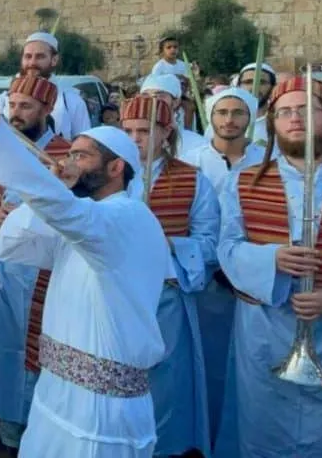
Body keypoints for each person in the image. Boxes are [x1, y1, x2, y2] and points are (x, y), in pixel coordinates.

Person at [0, 94, 172, 457]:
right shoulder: (85, 220)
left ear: (116, 168)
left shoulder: (129, 216)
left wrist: (0, 140)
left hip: (101, 411)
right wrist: (54, 188)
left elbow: (70, 216)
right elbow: (12, 245)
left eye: (81, 156)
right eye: (69, 153)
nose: (68, 162)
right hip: (54, 393)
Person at [214, 75, 322, 457]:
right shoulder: (246, 181)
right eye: (284, 111)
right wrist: (271, 259)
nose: (294, 118)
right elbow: (227, 248)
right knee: (263, 430)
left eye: (306, 110)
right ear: (273, 123)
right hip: (266, 330)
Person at [0, 74, 74, 455]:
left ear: (47, 110)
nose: (15, 114)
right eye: (12, 105)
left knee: (45, 352)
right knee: (4, 347)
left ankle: (43, 436)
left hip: (48, 272)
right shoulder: (1, 147)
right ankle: (8, 434)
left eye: (26, 107)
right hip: (6, 266)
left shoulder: (68, 153)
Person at [120, 95, 217, 457]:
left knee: (163, 381)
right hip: (114, 296)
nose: (135, 139)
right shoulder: (109, 174)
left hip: (165, 297)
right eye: (128, 130)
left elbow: (210, 242)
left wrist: (169, 243)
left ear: (166, 132)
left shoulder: (193, 180)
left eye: (144, 131)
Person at [180, 87, 267, 441]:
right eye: (222, 112)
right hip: (205, 280)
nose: (229, 120)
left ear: (250, 118)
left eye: (237, 113)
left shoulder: (266, 161)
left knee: (251, 368)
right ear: (211, 117)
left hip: (252, 284)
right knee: (208, 364)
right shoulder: (192, 161)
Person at [0, 32, 91, 140]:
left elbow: (83, 146)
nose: (32, 63)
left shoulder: (72, 102)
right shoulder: (1, 101)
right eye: (28, 56)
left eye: (40, 57)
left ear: (54, 60)